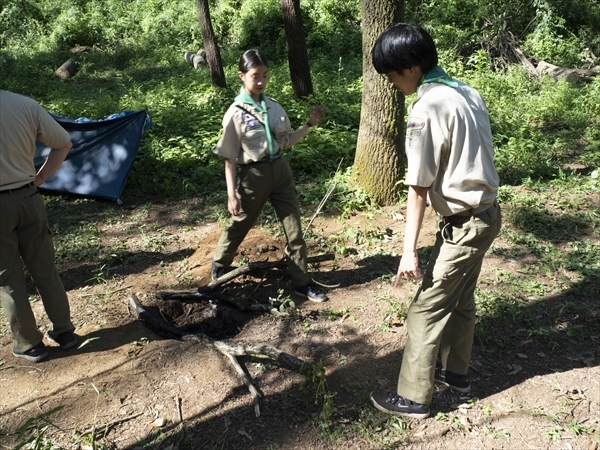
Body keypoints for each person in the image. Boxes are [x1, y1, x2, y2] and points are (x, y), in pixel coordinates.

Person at [368, 24, 502, 418]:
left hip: (465, 224)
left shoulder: (428, 108)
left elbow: (418, 189)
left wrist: (408, 251)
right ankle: (455, 374)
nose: (392, 83)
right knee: (461, 300)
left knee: (424, 309)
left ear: (410, 68)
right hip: (486, 215)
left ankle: (412, 398)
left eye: (391, 75)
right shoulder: (466, 91)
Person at [211, 49, 327, 302]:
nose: (261, 81)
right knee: (240, 221)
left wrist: (308, 125)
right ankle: (219, 265)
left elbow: (286, 142)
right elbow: (229, 158)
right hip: (254, 175)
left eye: (265, 75)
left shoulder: (273, 106)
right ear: (242, 76)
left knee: (294, 229)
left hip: (281, 172)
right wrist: (232, 195)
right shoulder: (235, 113)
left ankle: (302, 282)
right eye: (255, 76)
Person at [0, 90, 77, 363]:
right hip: (29, 198)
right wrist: (40, 177)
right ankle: (65, 333)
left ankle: (30, 345)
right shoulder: (24, 104)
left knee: (8, 279)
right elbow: (63, 144)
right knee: (44, 268)